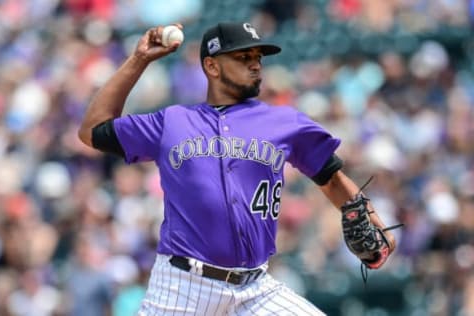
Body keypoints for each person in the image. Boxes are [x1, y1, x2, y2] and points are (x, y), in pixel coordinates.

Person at [78, 21, 397, 316]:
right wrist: (139, 60)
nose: (255, 63)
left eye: (258, 56)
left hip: (256, 289)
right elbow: (92, 130)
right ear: (211, 65)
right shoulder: (171, 122)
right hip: (182, 288)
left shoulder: (285, 122)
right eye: (243, 56)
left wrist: (377, 224)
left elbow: (332, 179)